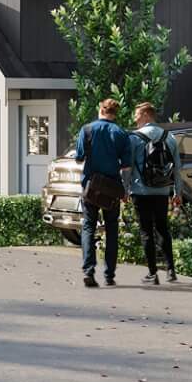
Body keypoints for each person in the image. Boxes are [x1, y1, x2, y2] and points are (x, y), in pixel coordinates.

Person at [72, 97, 133, 289]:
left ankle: (88, 270)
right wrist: (125, 191)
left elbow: (79, 157)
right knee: (112, 228)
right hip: (112, 188)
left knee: (89, 226)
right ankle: (109, 275)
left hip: (91, 185)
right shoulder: (122, 133)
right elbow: (126, 167)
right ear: (115, 113)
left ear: (101, 110)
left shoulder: (87, 130)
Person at [127, 101, 181, 285]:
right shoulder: (170, 137)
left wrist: (125, 189)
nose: (135, 119)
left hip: (140, 191)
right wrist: (177, 192)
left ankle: (152, 273)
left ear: (146, 115)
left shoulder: (134, 138)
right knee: (163, 229)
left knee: (146, 231)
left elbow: (128, 168)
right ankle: (171, 270)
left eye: (137, 115)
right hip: (162, 190)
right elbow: (177, 168)